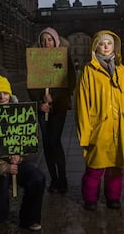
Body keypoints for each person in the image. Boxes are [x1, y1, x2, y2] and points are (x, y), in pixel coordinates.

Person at [75, 30, 124, 211]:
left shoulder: (122, 70)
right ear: (95, 46)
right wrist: (85, 134)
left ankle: (113, 198)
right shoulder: (89, 71)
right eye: (102, 43)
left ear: (115, 47)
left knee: (116, 168)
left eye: (109, 43)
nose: (106, 46)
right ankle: (90, 199)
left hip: (120, 128)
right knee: (94, 168)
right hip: (99, 129)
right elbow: (82, 104)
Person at [0, 75, 45, 231]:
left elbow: (29, 139)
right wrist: (4, 167)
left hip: (15, 162)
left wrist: (20, 155)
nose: (2, 97)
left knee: (37, 178)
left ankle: (29, 218)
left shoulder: (20, 113)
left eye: (5, 92)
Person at [27, 27, 76, 194]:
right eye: (43, 40)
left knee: (55, 141)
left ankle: (63, 179)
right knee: (47, 144)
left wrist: (53, 97)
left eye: (49, 40)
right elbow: (31, 84)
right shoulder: (35, 58)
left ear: (55, 41)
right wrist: (40, 101)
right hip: (42, 108)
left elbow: (70, 82)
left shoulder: (64, 57)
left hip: (59, 106)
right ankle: (54, 180)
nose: (46, 43)